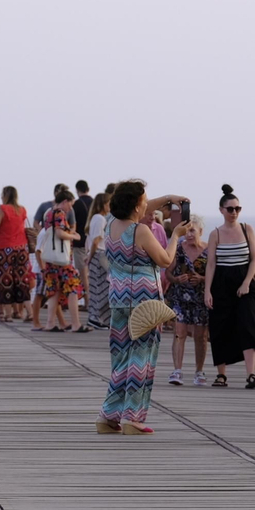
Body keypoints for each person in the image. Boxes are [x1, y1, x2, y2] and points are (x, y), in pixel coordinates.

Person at [97, 181, 189, 436]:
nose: (147, 204)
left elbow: (145, 204)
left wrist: (169, 197)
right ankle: (132, 417)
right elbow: (165, 260)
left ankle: (108, 415)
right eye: (144, 201)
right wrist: (176, 236)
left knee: (121, 359)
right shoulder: (140, 231)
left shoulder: (110, 224)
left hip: (118, 299)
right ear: (137, 205)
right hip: (144, 302)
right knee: (141, 360)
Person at [204, 185, 255, 389]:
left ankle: (251, 374)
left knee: (248, 325)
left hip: (244, 280)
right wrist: (207, 290)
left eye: (237, 208)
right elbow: (211, 264)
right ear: (221, 210)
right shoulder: (215, 234)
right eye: (230, 209)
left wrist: (247, 282)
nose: (234, 213)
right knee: (219, 326)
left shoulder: (247, 229)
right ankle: (221, 374)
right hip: (222, 282)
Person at [165, 213, 208, 385]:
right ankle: (177, 371)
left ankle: (199, 371)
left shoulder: (208, 250)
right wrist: (176, 279)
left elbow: (215, 274)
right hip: (180, 296)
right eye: (187, 231)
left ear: (201, 231)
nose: (189, 234)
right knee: (179, 333)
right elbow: (167, 272)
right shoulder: (178, 248)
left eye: (193, 231)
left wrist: (202, 279)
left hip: (200, 297)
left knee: (201, 336)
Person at [39, 188, 85, 332]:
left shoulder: (48, 213)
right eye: (70, 204)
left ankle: (50, 323)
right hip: (62, 260)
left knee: (55, 290)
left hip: (51, 259)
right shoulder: (60, 213)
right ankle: (76, 324)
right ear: (64, 201)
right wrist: (74, 236)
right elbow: (59, 233)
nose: (70, 208)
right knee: (73, 287)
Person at [0, 186, 32, 322]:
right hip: (22, 248)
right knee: (22, 280)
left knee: (6, 280)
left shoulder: (3, 209)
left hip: (6, 249)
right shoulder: (22, 210)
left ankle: (7, 314)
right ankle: (28, 312)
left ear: (5, 195)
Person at [84, 189, 113, 330]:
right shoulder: (100, 219)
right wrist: (90, 257)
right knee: (101, 288)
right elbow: (96, 241)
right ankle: (96, 317)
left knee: (98, 287)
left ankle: (99, 318)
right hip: (99, 255)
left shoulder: (95, 218)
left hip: (97, 254)